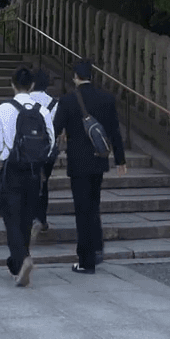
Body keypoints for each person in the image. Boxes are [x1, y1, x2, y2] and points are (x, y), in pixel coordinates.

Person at [53, 58, 125, 274]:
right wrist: (120, 159)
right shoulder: (106, 99)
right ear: (91, 76)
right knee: (93, 206)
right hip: (98, 160)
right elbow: (115, 131)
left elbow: (56, 128)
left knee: (82, 210)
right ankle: (96, 248)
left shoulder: (67, 101)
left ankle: (86, 260)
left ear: (75, 77)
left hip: (78, 162)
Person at [0, 65, 56, 286]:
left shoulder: (2, 109)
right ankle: (19, 260)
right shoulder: (43, 110)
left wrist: (8, 153)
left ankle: (22, 260)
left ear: (12, 83)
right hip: (35, 171)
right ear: (32, 86)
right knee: (27, 217)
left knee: (11, 216)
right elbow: (51, 142)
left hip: (12, 169)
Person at [28, 68, 56, 235]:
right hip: (46, 151)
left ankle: (28, 216)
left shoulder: (23, 101)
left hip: (27, 150)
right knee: (43, 183)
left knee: (28, 182)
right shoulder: (54, 103)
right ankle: (42, 218)